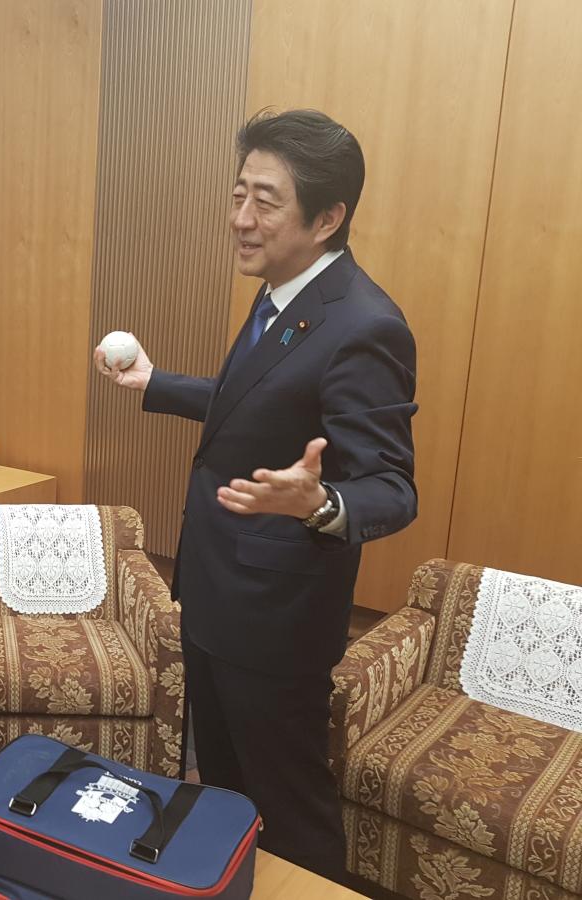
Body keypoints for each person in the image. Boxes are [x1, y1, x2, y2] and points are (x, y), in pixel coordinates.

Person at [95, 109, 417, 880]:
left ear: (329, 215)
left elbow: (392, 485)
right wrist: (154, 383)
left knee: (291, 806)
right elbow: (253, 402)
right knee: (230, 794)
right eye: (239, 193)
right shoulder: (281, 291)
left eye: (265, 201)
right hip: (215, 591)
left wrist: (321, 504)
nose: (241, 218)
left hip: (277, 619)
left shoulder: (365, 324)